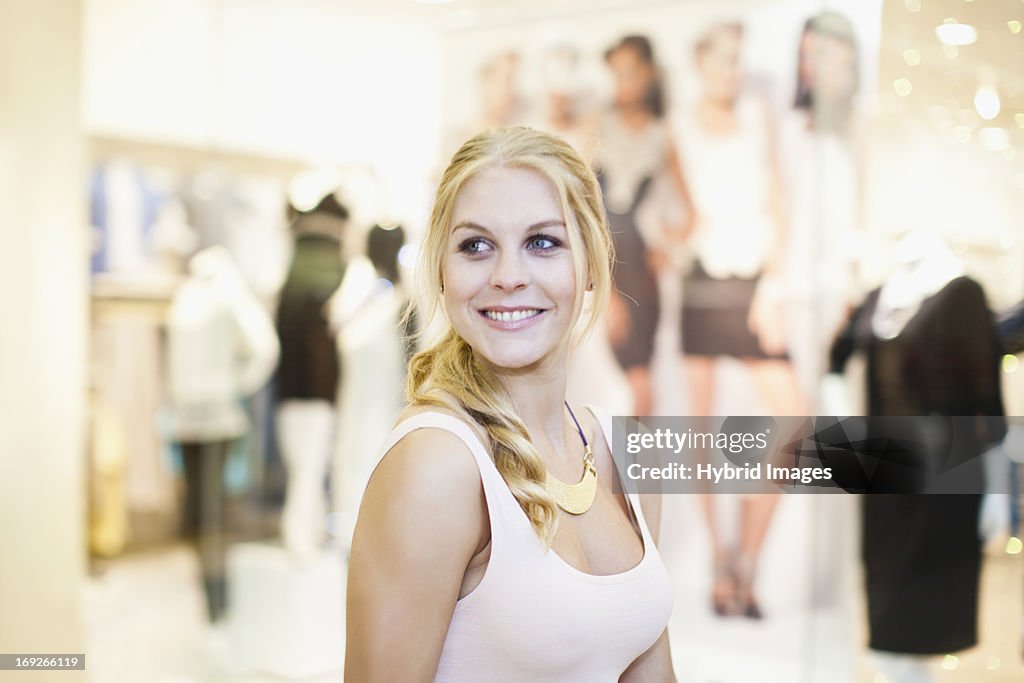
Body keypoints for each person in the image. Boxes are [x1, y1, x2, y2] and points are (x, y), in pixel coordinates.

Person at [345, 127, 676, 682]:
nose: (507, 278)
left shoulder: (625, 453)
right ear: (443, 273)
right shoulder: (437, 464)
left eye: (543, 242)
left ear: (592, 264)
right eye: (475, 246)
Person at [672, 21, 807, 619]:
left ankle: (748, 561)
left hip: (753, 283)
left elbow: (780, 201)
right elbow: (681, 207)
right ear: (701, 65)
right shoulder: (679, 124)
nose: (730, 73)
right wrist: (669, 243)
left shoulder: (757, 113)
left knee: (795, 421)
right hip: (702, 280)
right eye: (720, 62)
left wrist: (773, 287)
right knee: (699, 431)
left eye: (736, 62)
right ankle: (719, 564)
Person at [593, 35, 696, 416]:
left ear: (649, 74)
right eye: (615, 73)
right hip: (603, 265)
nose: (622, 81)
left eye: (630, 72)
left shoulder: (660, 135)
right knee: (610, 386)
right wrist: (605, 291)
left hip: (638, 271)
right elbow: (582, 210)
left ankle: (634, 472)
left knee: (638, 384)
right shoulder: (596, 127)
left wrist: (666, 246)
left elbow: (690, 213)